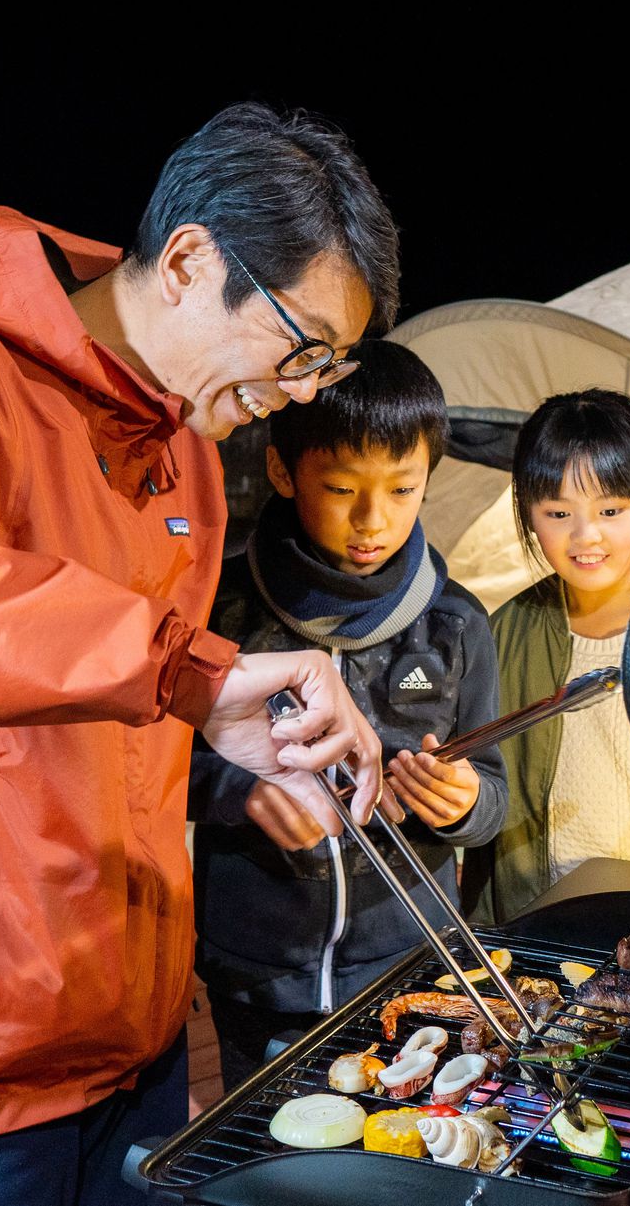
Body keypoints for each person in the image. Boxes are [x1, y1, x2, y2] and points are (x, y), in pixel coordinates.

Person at [0, 103, 402, 1204]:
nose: (310, 389)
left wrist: (241, 727)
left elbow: (146, 703)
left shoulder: (192, 449)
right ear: (186, 260)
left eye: (334, 361)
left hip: (140, 1030)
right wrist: (192, 672)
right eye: (302, 346)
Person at [190, 339, 508, 1088]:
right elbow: (152, 768)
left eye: (403, 489)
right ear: (281, 470)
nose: (373, 519)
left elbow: (493, 793)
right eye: (340, 488)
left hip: (406, 965)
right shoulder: (221, 608)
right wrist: (243, 790)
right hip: (257, 974)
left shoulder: (455, 623)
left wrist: (463, 802)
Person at [463, 389, 630, 923]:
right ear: (527, 511)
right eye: (558, 511)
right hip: (533, 921)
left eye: (611, 509)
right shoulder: (504, 631)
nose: (586, 536)